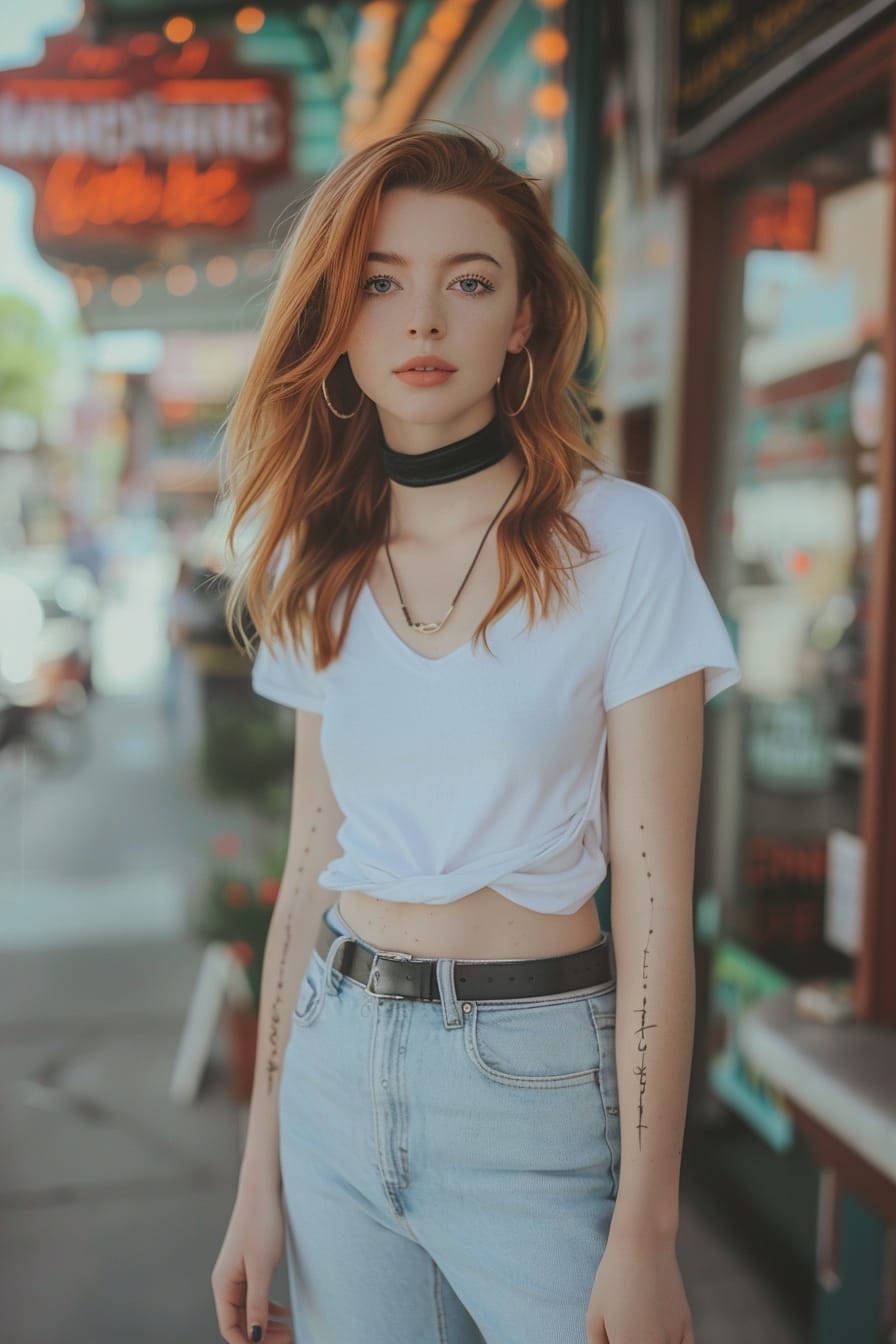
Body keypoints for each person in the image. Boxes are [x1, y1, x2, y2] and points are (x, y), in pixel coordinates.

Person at [212, 123, 740, 1344]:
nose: (421, 322)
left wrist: (647, 1233)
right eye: (382, 283)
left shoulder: (622, 542)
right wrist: (258, 1186)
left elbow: (654, 903)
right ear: (338, 318)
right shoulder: (315, 563)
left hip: (536, 1083)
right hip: (335, 1072)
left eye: (469, 281)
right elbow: (306, 874)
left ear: (521, 323)